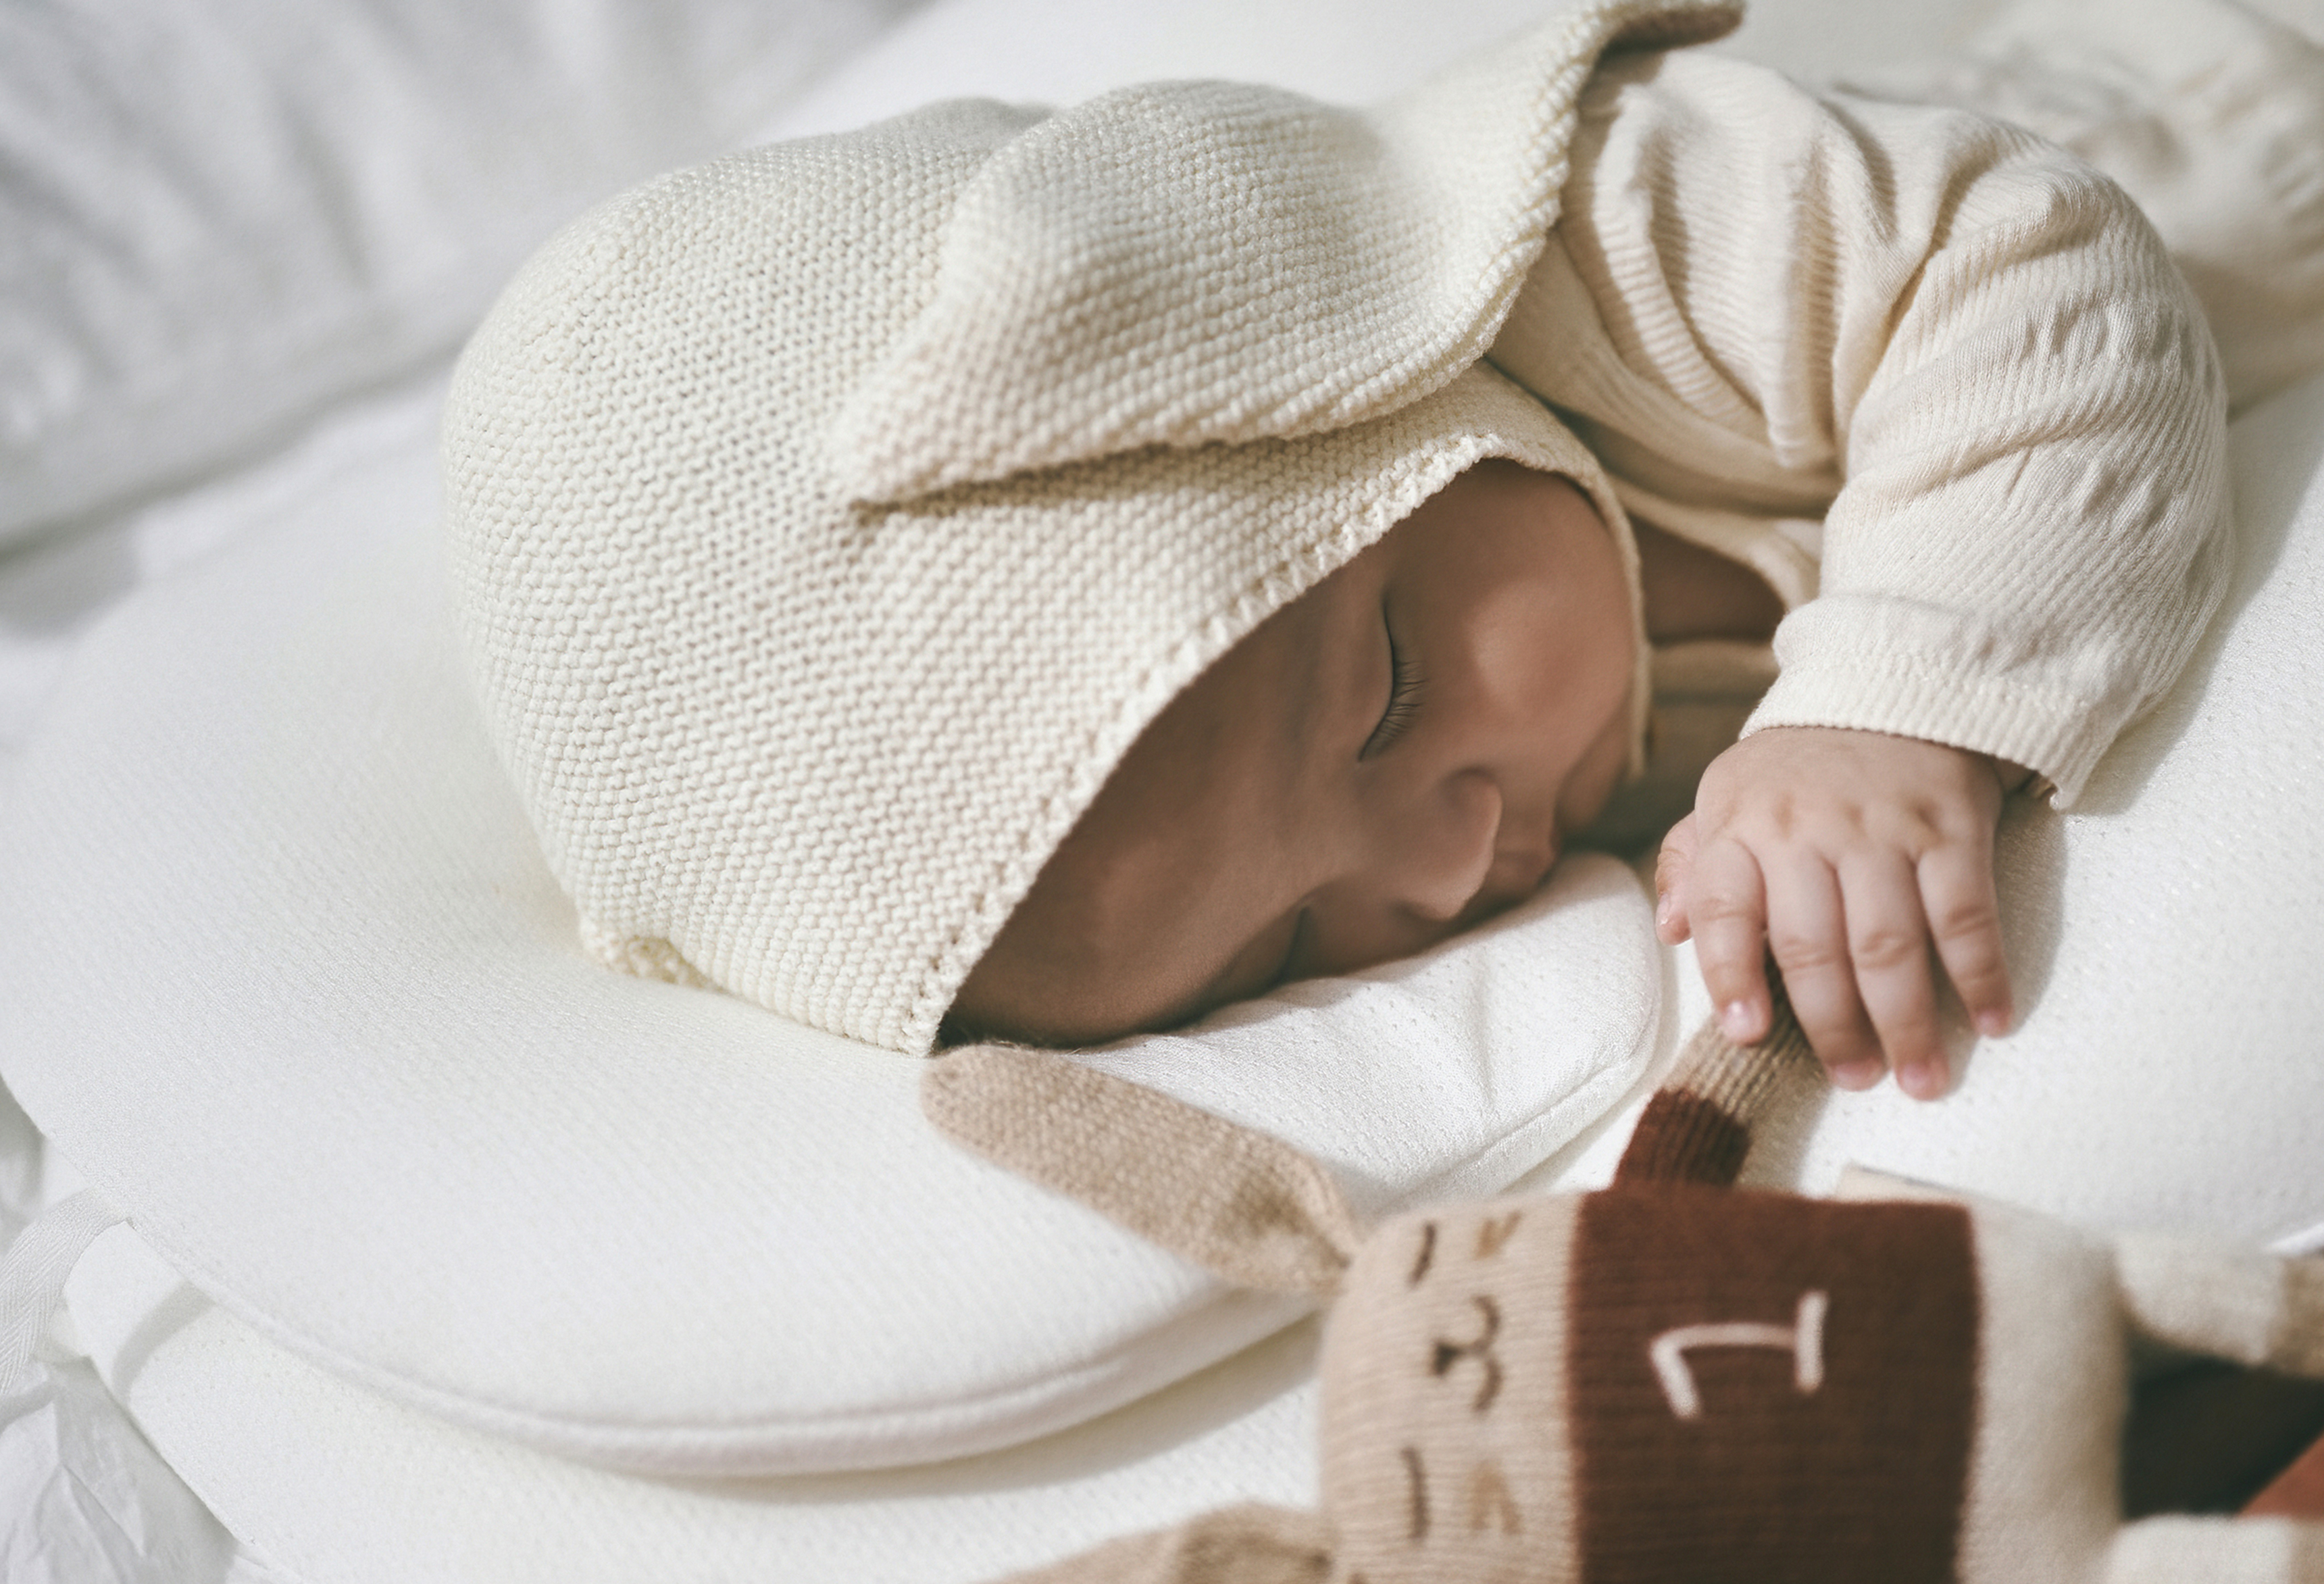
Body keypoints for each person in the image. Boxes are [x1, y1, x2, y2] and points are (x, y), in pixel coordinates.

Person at [443, 0, 2307, 1079]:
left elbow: (2034, 260)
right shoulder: (1481, 809)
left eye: (1390, 692)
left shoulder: (1622, 226)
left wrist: (1891, 709)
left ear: (1321, 371)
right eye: (1288, 941)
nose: (1446, 865)